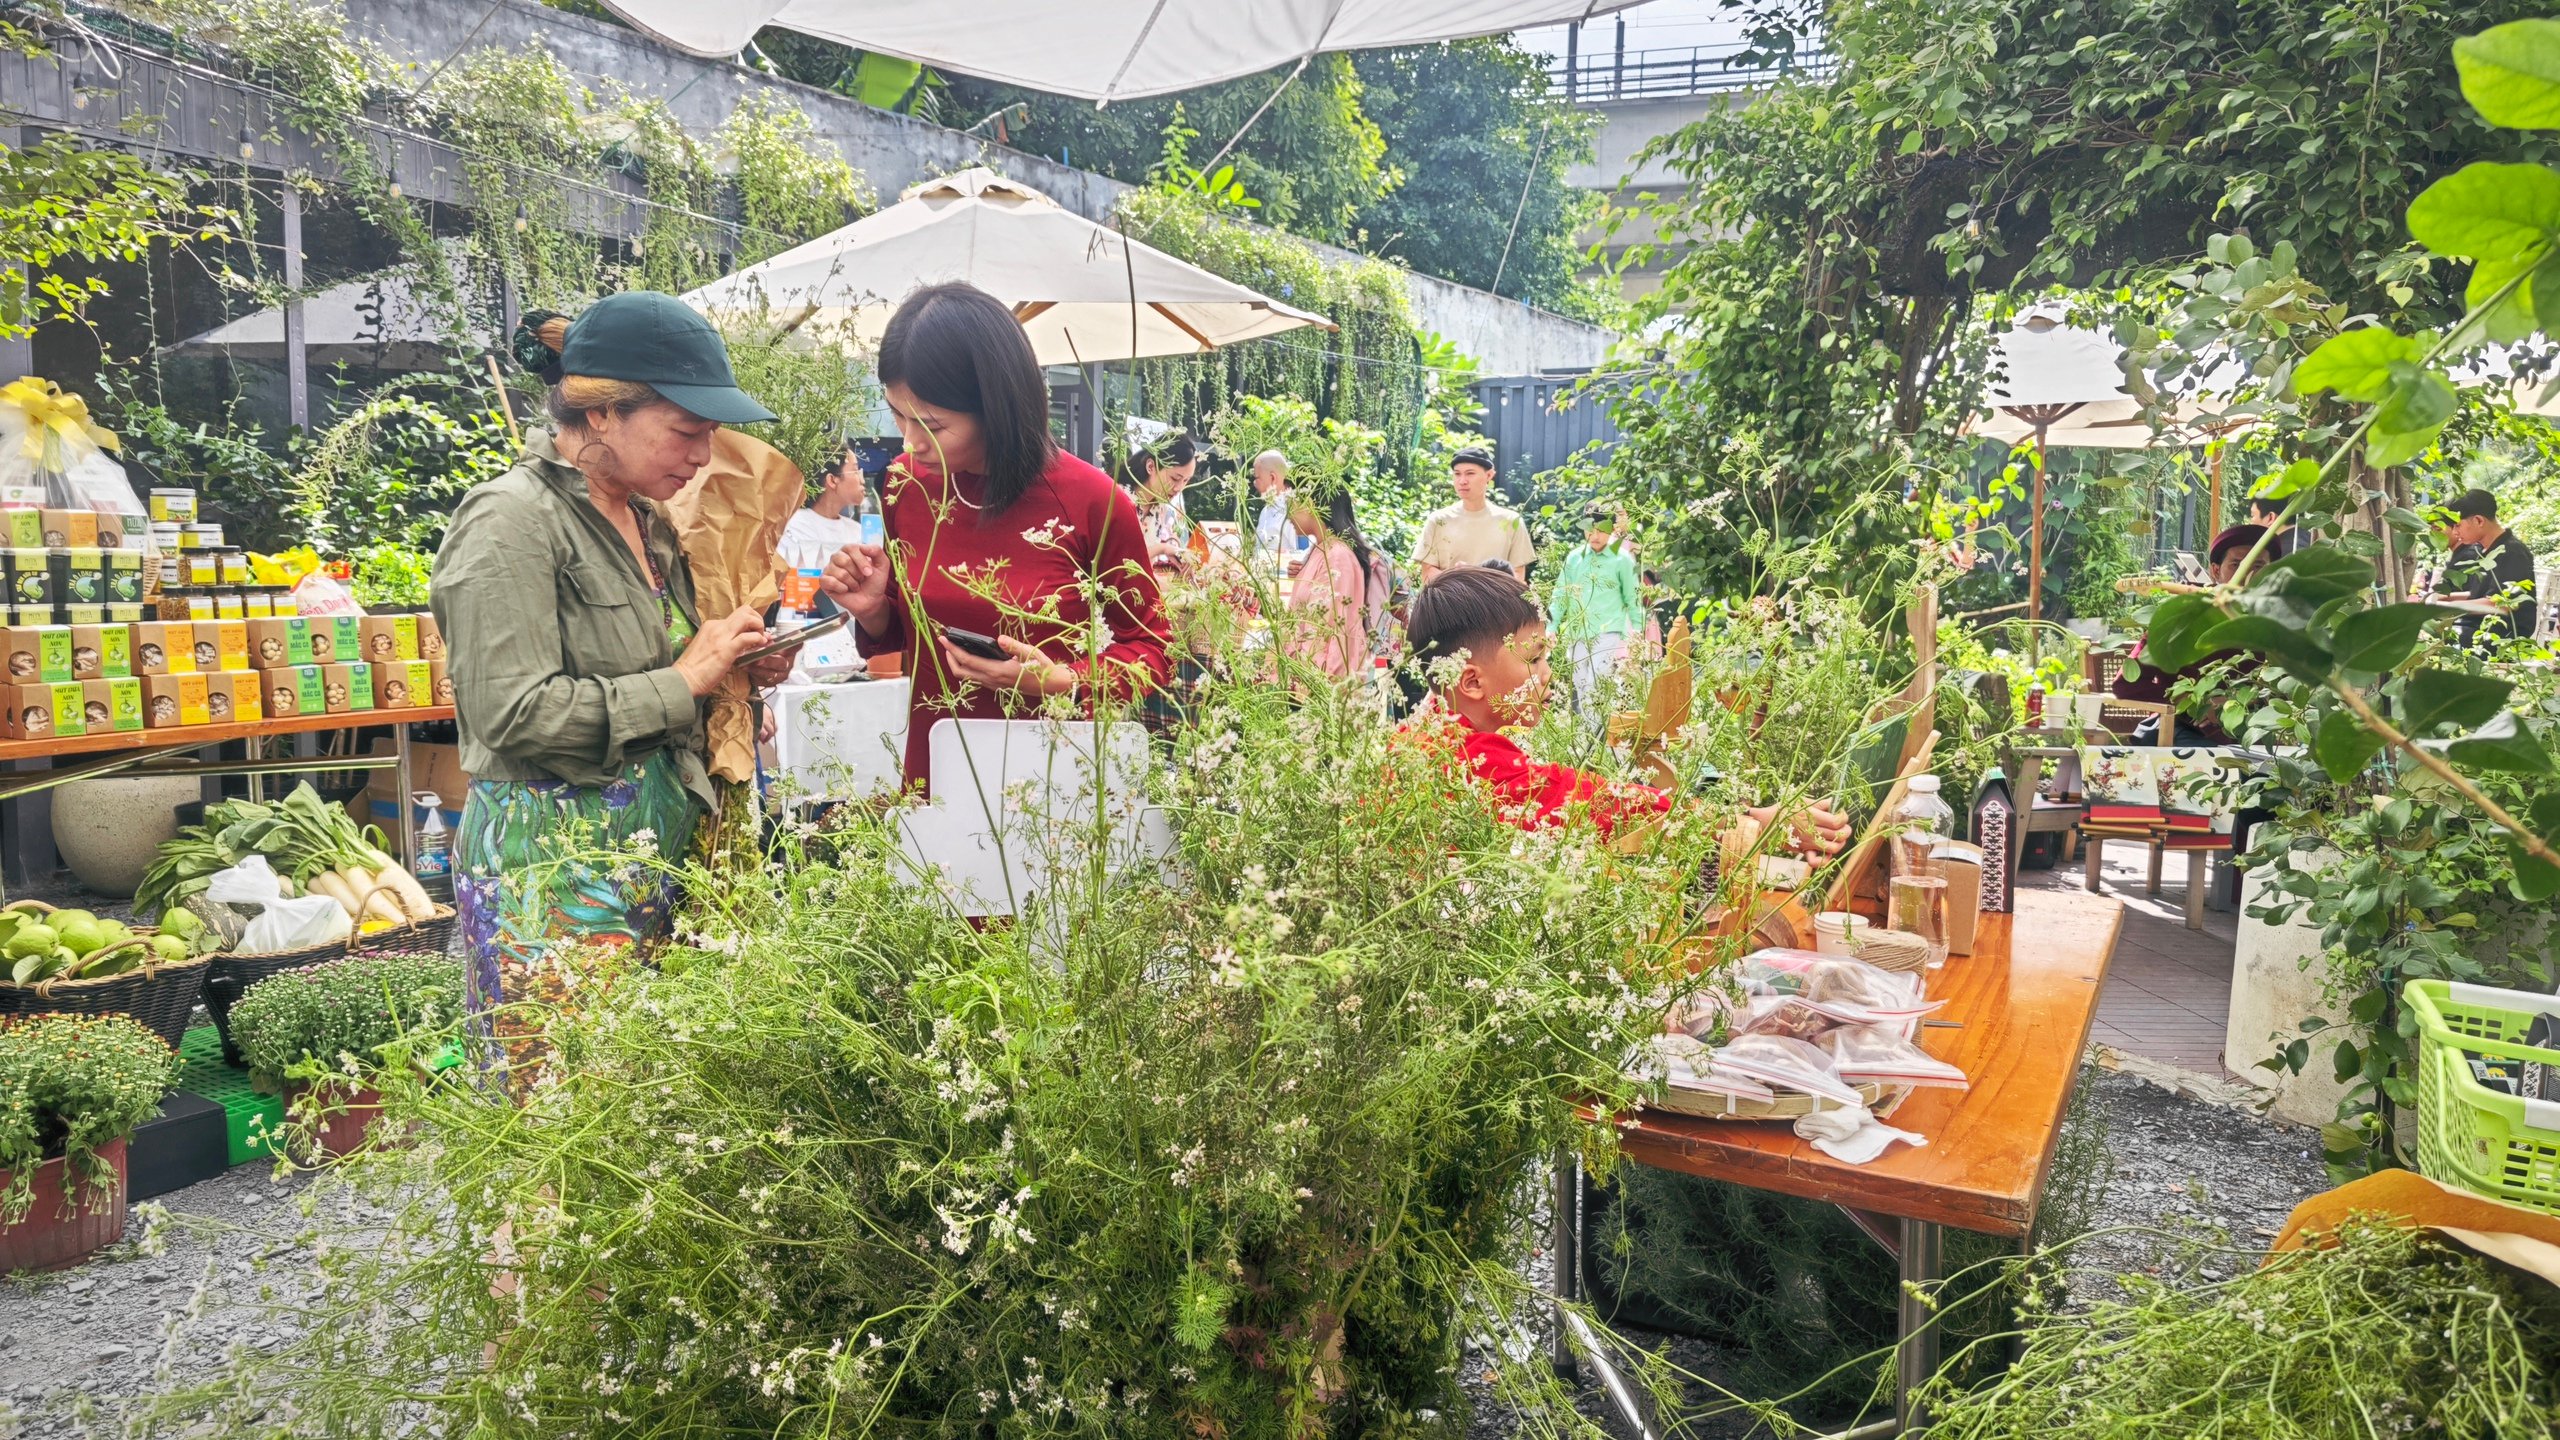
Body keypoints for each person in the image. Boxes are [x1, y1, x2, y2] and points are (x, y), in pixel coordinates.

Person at [434, 293, 789, 1082]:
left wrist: (737, 671)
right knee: (556, 1130)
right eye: (687, 431)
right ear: (601, 415)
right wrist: (685, 678)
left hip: (647, 859)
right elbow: (512, 711)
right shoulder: (509, 520)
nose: (704, 457)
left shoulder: (647, 520)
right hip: (551, 874)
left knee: (640, 1130)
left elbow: (659, 674)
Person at [820, 282, 1171, 789]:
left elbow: (1151, 647)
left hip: (1050, 785)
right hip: (935, 766)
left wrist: (1063, 682)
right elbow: (911, 638)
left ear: (998, 408)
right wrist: (875, 608)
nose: (911, 441)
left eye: (932, 425)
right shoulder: (905, 484)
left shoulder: (1091, 499)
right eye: (897, 414)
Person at [1401, 566, 1850, 851]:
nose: (1548, 673)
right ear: (1472, 681)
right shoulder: (1461, 759)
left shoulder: (1429, 735)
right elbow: (1593, 803)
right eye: (1534, 658)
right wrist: (1755, 823)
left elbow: (1572, 790)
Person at [2112, 523, 2269, 746]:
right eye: (2236, 565)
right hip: (2189, 735)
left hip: (2258, 737)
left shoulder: (2279, 625)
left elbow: (2293, 690)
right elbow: (2125, 684)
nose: (2248, 575)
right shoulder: (2180, 619)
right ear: (2216, 571)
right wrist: (2191, 700)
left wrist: (2237, 702)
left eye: (2260, 566)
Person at [1550, 507, 1644, 715]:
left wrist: (1638, 630)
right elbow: (1560, 594)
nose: (1594, 535)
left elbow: (1633, 597)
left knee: (1596, 685)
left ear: (1610, 529)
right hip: (1577, 632)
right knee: (1581, 688)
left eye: (1601, 530)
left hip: (1608, 632)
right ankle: (1588, 740)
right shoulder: (1574, 558)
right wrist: (1551, 626)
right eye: (1589, 530)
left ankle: (1595, 739)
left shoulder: (1622, 560)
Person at [1283, 488, 1373, 680]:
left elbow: (1327, 635)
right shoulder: (1323, 549)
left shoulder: (1337, 556)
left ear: (1311, 504)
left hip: (1318, 687)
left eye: (1291, 501)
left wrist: (1304, 688)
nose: (1287, 512)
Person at [1414, 447, 1536, 582]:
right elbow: (1427, 572)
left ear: (1489, 475)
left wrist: (1478, 583)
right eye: (1457, 474)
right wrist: (1461, 578)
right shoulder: (1438, 520)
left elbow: (1518, 575)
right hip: (1449, 601)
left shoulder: (1511, 521)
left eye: (1470, 473)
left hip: (1496, 601)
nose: (1462, 481)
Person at [2440, 488, 2540, 649]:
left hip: (2500, 637)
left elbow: (2502, 604)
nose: (2455, 532)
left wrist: (2442, 608)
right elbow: (2478, 595)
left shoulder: (2512, 551)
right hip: (2476, 628)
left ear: (2479, 521)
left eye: (2457, 525)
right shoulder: (2484, 551)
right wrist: (2442, 598)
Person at [1120, 430, 1204, 573]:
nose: (1179, 488)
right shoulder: (1120, 497)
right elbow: (1120, 561)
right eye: (1175, 479)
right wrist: (1163, 549)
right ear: (1151, 467)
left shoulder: (1159, 507)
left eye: (1186, 481)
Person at [779, 445, 870, 561]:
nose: (862, 480)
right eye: (856, 471)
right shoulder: (793, 527)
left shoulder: (857, 531)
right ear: (832, 480)